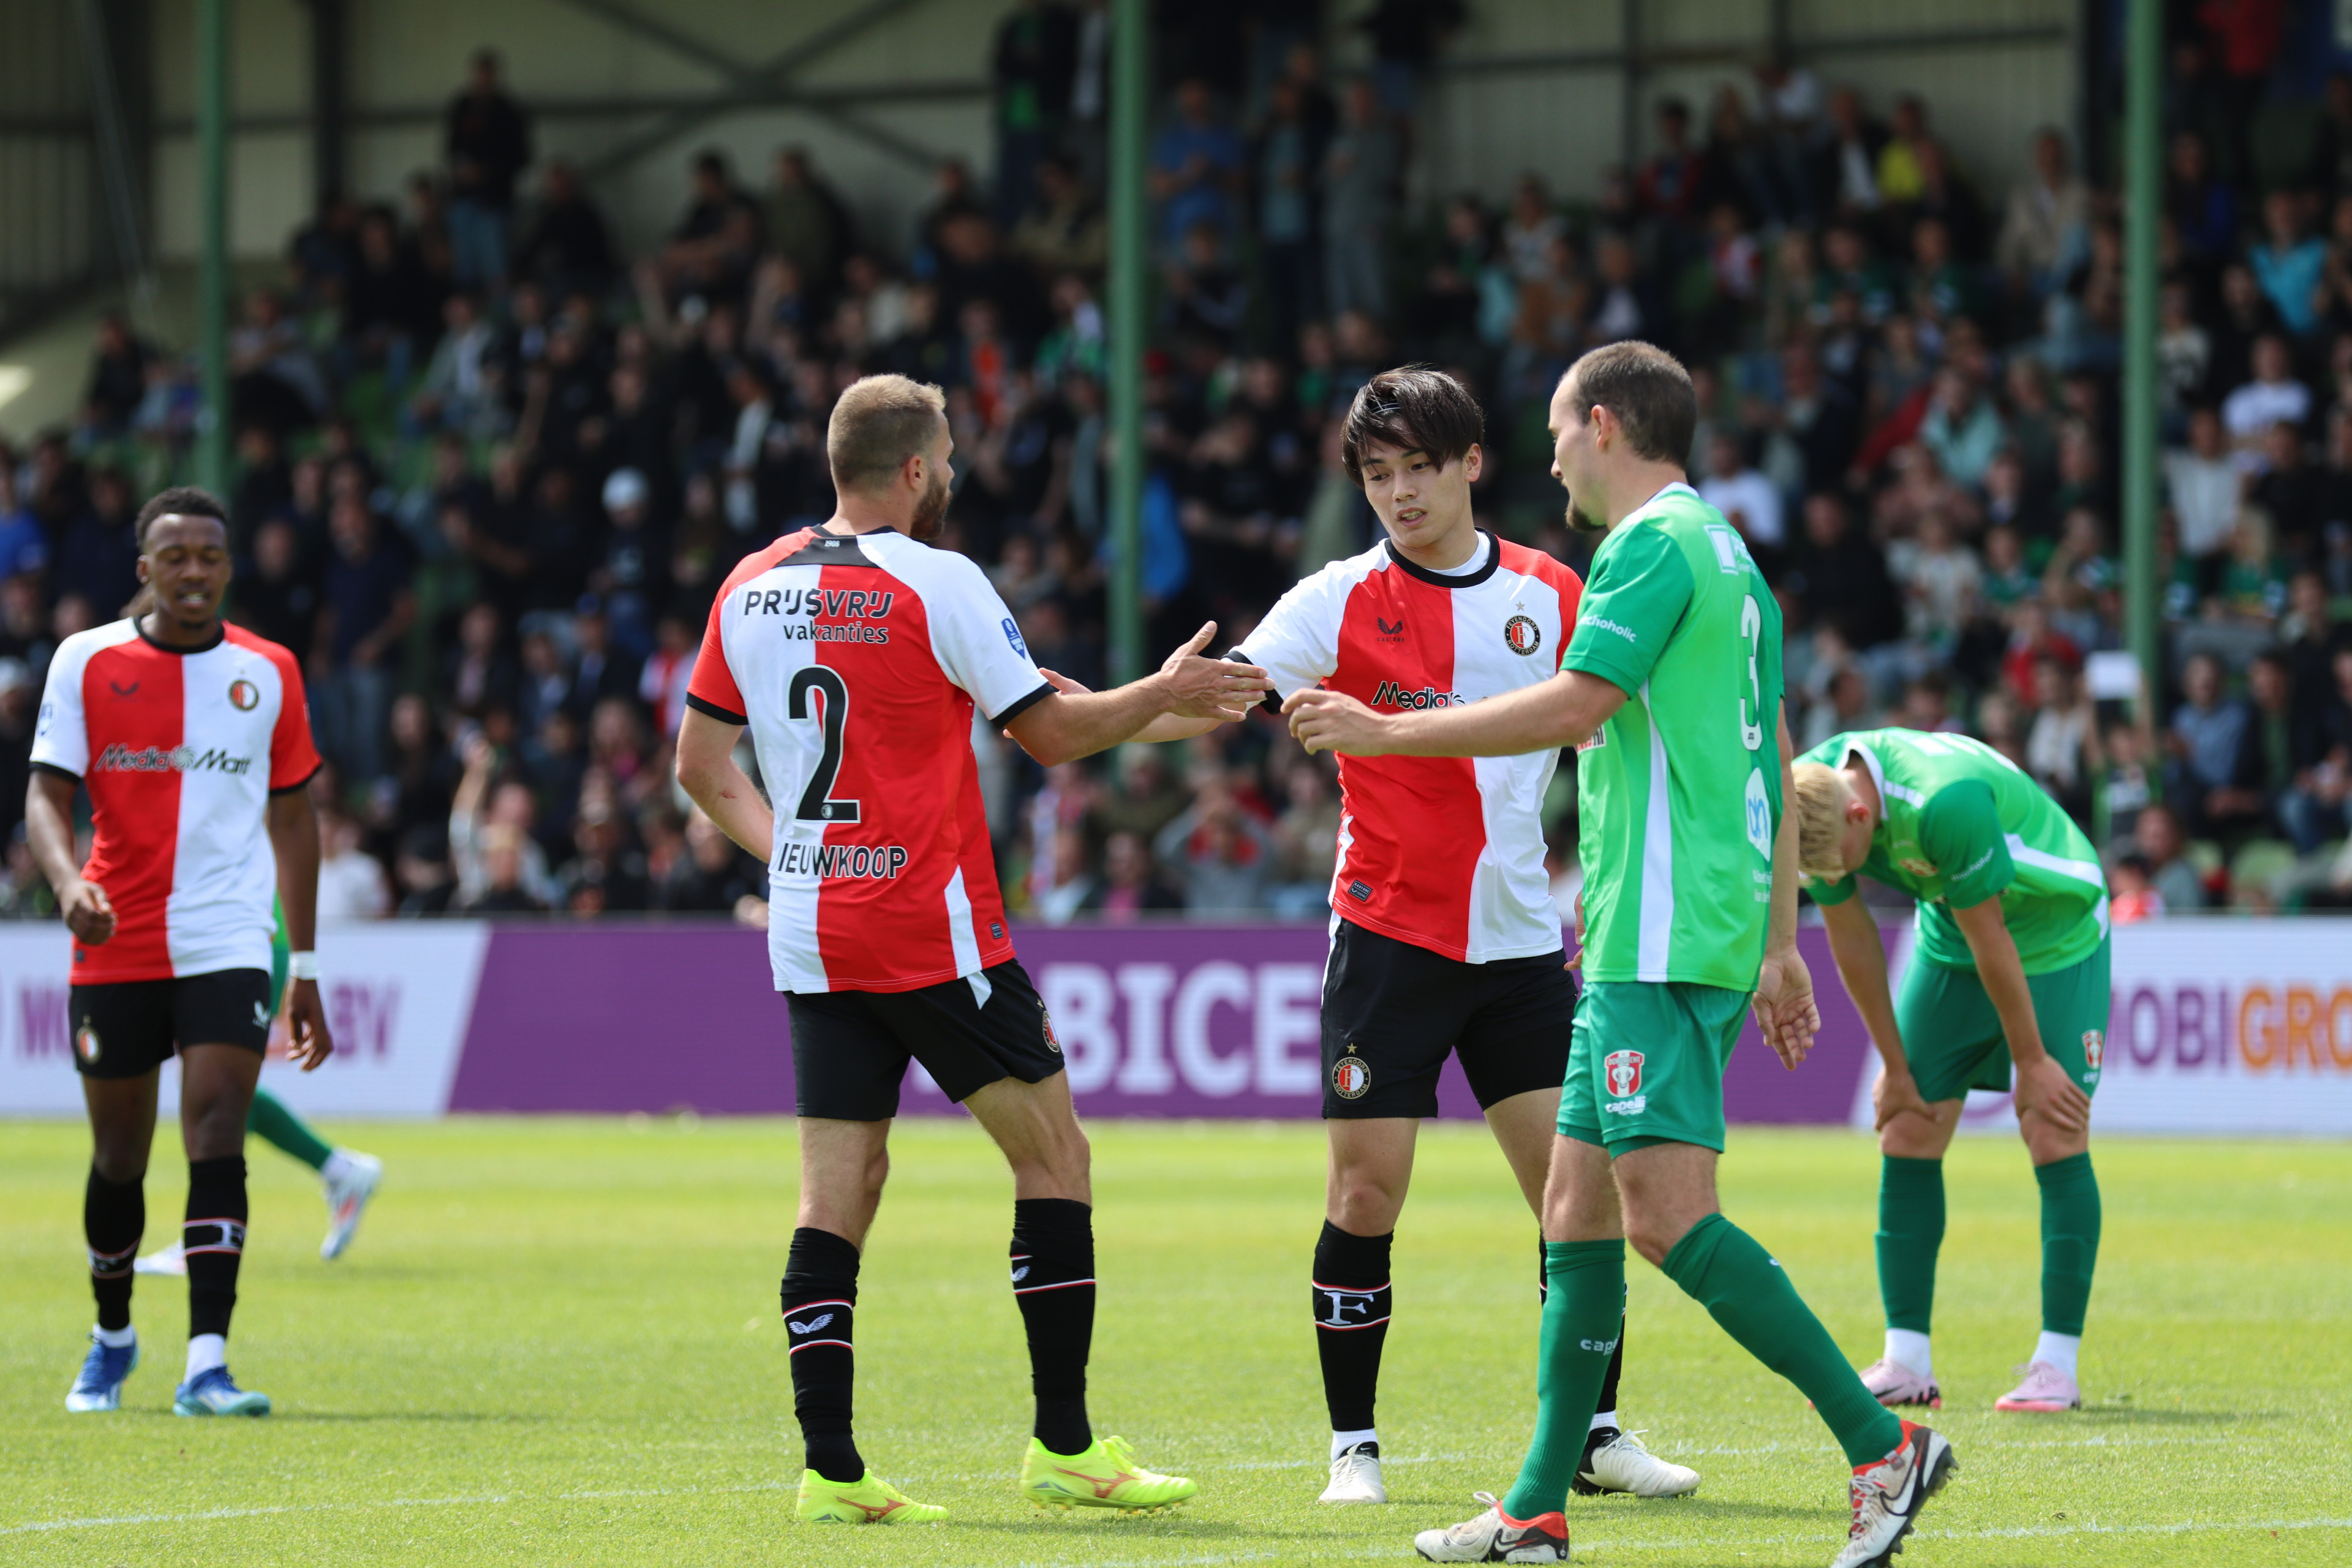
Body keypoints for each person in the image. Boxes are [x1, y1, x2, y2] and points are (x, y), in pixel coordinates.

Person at [1284, 342, 1953, 1568]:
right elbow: (1771, 747)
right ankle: (1537, 1507)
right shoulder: (1734, 557)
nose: (1548, 459)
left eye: (1555, 433)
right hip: (1670, 925)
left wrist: (1388, 728)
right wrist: (1780, 939)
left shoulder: (1645, 548)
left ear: (1603, 425)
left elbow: (1578, 704)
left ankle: (1880, 1443)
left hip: (1653, 928)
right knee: (1574, 1207)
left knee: (1664, 1217)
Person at [671, 374, 1269, 1525]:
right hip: (934, 932)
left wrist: (789, 855)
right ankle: (1065, 1446)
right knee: (1056, 1160)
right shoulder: (938, 579)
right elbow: (1051, 736)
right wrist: (1163, 691)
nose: (954, 478)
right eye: (946, 460)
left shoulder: (749, 585)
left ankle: (831, 1471)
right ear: (911, 471)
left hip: (814, 931)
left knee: (836, 1193)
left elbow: (699, 768)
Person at [1103, 368, 1700, 1507]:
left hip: (1523, 949)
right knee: (1365, 1198)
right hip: (1388, 941)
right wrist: (1156, 697)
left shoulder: (1550, 590)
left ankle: (1596, 1431)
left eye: (1419, 469)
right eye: (1377, 477)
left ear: (1472, 463)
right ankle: (1354, 1450)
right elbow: (1219, 699)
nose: (1399, 495)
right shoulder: (1334, 599)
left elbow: (1620, 721)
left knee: (1578, 1202)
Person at [32, 485, 336, 1418]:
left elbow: (295, 820)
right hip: (114, 935)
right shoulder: (85, 661)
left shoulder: (270, 671)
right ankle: (112, 1336)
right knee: (120, 1155)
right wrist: (67, 883)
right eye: (176, 557)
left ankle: (208, 1361)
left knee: (213, 1134)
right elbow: (45, 797)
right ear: (145, 571)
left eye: (210, 555)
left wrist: (310, 972)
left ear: (229, 566)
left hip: (227, 936)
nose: (194, 571)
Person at [1791, 729, 2108, 1420]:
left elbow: (1992, 932)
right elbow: (1852, 940)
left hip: (2054, 929)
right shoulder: (1803, 798)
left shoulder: (1943, 802)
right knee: (1907, 1124)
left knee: (2052, 1126)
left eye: (1845, 863)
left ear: (1860, 817)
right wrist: (1896, 1068)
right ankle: (1906, 1361)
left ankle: (2058, 1363)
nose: (1842, 878)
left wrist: (2030, 1061)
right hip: (1954, 931)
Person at [136, 897, 385, 1275]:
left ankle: (205, 1235)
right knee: (217, 1085)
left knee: (209, 1083)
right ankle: (338, 1169)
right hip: (239, 937)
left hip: (244, 939)